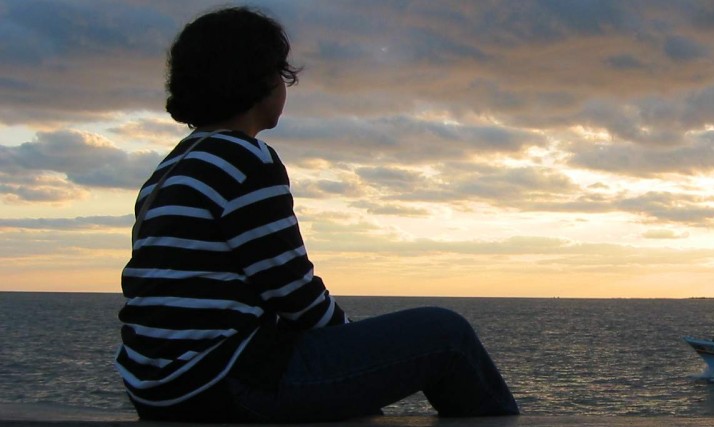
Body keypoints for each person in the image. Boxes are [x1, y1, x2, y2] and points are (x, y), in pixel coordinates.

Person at [115, 7, 517, 422]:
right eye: (281, 73)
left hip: (160, 390)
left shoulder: (168, 170)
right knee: (446, 335)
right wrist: (352, 344)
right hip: (225, 382)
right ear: (263, 80)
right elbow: (293, 292)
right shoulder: (244, 158)